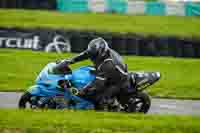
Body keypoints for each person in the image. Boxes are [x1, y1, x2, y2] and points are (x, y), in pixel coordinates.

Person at [52, 37, 132, 110]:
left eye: (94, 55)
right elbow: (83, 55)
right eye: (92, 54)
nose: (92, 57)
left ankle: (117, 108)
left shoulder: (108, 64)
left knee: (100, 99)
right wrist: (68, 61)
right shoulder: (95, 52)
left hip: (118, 80)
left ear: (101, 53)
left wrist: (83, 90)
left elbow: (97, 83)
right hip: (107, 72)